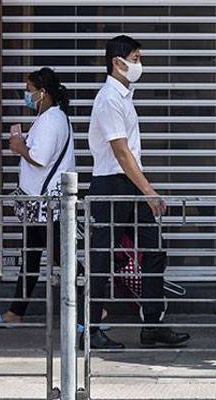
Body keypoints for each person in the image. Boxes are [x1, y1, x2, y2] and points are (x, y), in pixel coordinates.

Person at [85, 35, 189, 349]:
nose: (138, 64)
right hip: (111, 186)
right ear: (117, 63)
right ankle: (89, 331)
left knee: (154, 250)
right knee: (101, 260)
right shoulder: (109, 99)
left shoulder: (124, 97)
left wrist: (141, 188)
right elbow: (120, 151)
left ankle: (153, 324)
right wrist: (149, 191)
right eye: (135, 57)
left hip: (130, 184)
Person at [0, 68, 75, 326]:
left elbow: (40, 158)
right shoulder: (51, 117)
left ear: (42, 93)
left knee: (60, 258)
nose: (26, 95)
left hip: (46, 205)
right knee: (34, 257)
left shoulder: (51, 120)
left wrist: (19, 146)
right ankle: (16, 311)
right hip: (40, 204)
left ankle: (94, 309)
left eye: (29, 90)